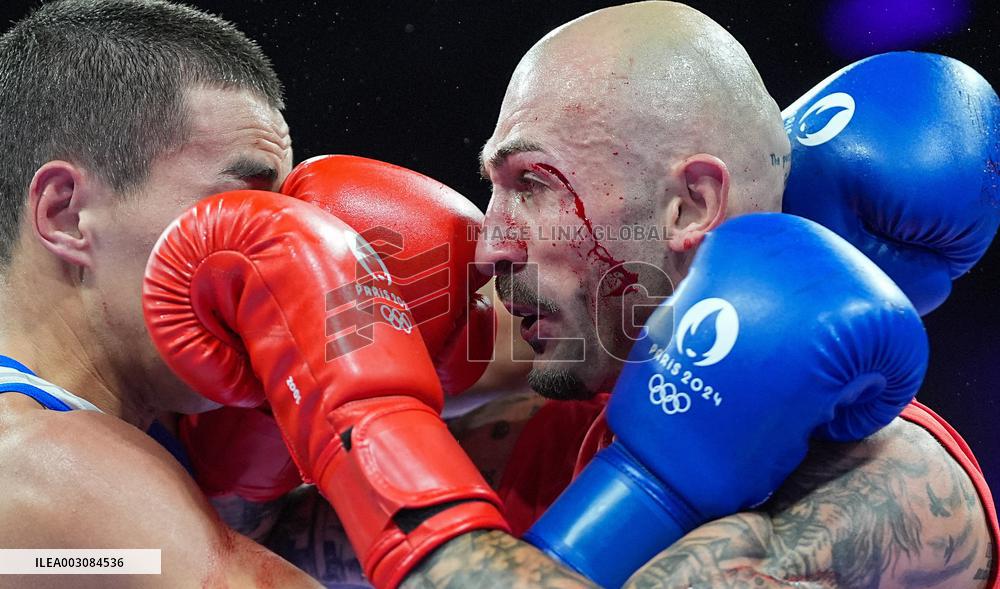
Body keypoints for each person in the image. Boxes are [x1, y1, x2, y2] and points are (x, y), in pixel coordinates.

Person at [399, 2, 999, 587]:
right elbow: (312, 533)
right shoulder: (560, 429)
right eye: (495, 187)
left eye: (532, 183)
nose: (490, 246)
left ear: (691, 206)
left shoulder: (895, 480)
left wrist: (360, 418)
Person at [0, 1, 324, 586]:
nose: (280, 255)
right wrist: (380, 414)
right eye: (239, 206)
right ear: (68, 215)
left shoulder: (144, 440)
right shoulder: (41, 463)